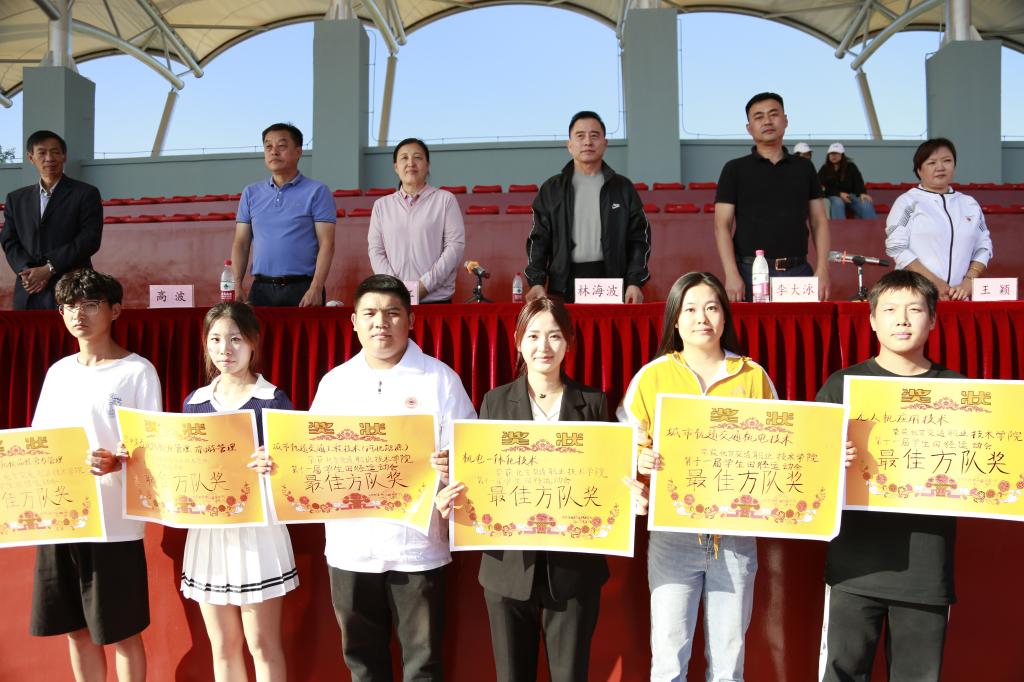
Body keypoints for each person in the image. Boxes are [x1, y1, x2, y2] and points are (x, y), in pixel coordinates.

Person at [309, 274, 476, 681]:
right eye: (369, 313)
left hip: (416, 547)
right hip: (351, 546)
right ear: (354, 322)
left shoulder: (440, 379)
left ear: (411, 320)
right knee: (362, 663)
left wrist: (453, 466)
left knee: (423, 663)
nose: (380, 322)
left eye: (392, 313)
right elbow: (311, 455)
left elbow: (469, 455)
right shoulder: (335, 383)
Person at [435, 297, 610, 682]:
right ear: (517, 341)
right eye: (533, 336)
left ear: (569, 342)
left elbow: (607, 480)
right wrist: (454, 494)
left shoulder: (594, 403)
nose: (543, 346)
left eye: (554, 336)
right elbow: (481, 477)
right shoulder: (495, 402)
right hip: (507, 568)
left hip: (574, 571)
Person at [618, 272, 777, 681]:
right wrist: (640, 460)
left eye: (711, 307)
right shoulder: (652, 376)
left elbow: (778, 447)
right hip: (672, 535)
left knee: (728, 663)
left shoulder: (751, 376)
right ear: (675, 319)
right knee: (669, 660)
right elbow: (623, 444)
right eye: (690, 309)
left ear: (725, 316)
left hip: (734, 536)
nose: (701, 318)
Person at [817, 270, 960, 682]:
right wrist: (830, 459)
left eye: (914, 309)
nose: (902, 319)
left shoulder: (959, 390)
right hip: (854, 568)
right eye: (891, 309)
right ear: (872, 320)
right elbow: (808, 467)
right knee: (842, 674)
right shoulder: (843, 385)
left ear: (932, 320)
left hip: (925, 571)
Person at [29, 268, 162, 681]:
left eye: (90, 305)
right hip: (63, 519)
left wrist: (119, 461)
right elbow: (39, 441)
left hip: (113, 524)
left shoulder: (137, 372)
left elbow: (152, 446)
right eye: (69, 306)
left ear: (115, 310)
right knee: (76, 629)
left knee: (122, 632)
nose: (78, 315)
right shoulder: (58, 372)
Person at [179, 301, 299, 681]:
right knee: (223, 646)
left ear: (252, 343)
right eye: (215, 339)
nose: (225, 349)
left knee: (262, 644)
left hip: (257, 533)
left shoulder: (273, 399)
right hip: (209, 533)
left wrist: (276, 464)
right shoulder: (194, 403)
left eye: (235, 339)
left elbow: (296, 471)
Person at [714, 93, 831, 302]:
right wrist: (731, 274)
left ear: (785, 120)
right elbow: (721, 225)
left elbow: (819, 221)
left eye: (773, 114)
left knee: (802, 325)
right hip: (750, 273)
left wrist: (823, 269)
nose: (767, 121)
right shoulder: (734, 169)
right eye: (758, 117)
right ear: (749, 128)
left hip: (798, 272)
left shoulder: (804, 168)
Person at [525, 111, 650, 304]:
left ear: (605, 143)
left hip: (611, 282)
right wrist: (536, 281)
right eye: (580, 136)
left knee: (607, 325)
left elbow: (639, 240)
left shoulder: (623, 188)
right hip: (564, 283)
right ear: (569, 145)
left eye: (594, 135)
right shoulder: (552, 189)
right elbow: (539, 240)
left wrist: (634, 282)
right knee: (567, 325)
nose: (588, 142)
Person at [231, 123, 337, 307]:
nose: (273, 152)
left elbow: (327, 243)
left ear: (298, 152)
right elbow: (241, 243)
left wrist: (316, 287)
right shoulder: (250, 193)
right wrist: (237, 285)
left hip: (303, 288)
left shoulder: (317, 191)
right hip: (260, 289)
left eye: (281, 146)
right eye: (268, 146)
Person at [1, 130, 102, 310]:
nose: (49, 158)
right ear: (31, 158)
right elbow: (9, 240)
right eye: (42, 153)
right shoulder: (16, 199)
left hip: (73, 289)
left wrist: (49, 268)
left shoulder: (86, 193)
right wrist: (26, 271)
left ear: (64, 156)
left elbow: (89, 239)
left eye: (55, 152)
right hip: (29, 291)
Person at [884, 137, 993, 301]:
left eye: (947, 161)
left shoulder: (969, 204)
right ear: (919, 170)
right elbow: (896, 247)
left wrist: (969, 281)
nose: (940, 167)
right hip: (916, 297)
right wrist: (933, 282)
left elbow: (984, 246)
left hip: (958, 297)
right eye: (932, 162)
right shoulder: (908, 202)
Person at [367, 138, 465, 303]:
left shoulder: (445, 200)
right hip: (394, 299)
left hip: (436, 300)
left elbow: (455, 247)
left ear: (428, 165)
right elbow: (376, 251)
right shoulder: (381, 206)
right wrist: (395, 288)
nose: (410, 163)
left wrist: (424, 286)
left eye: (417, 157)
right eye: (404, 158)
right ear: (396, 167)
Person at [818, 143, 877, 221]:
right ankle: (839, 227)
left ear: (842, 155)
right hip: (833, 195)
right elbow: (820, 187)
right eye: (831, 154)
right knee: (838, 202)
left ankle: (872, 227)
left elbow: (858, 181)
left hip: (850, 195)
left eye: (836, 153)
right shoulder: (824, 169)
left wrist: (862, 192)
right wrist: (839, 194)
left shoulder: (851, 166)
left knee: (865, 203)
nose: (833, 156)